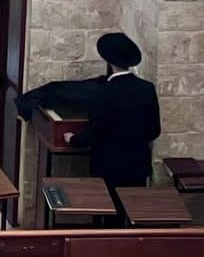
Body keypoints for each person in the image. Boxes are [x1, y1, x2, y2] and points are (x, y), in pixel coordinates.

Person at [15, 31, 161, 189]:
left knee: (107, 210)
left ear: (108, 60)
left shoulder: (103, 92)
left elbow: (95, 132)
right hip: (138, 166)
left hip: (109, 168)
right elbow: (154, 130)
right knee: (132, 210)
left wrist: (73, 139)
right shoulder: (147, 89)